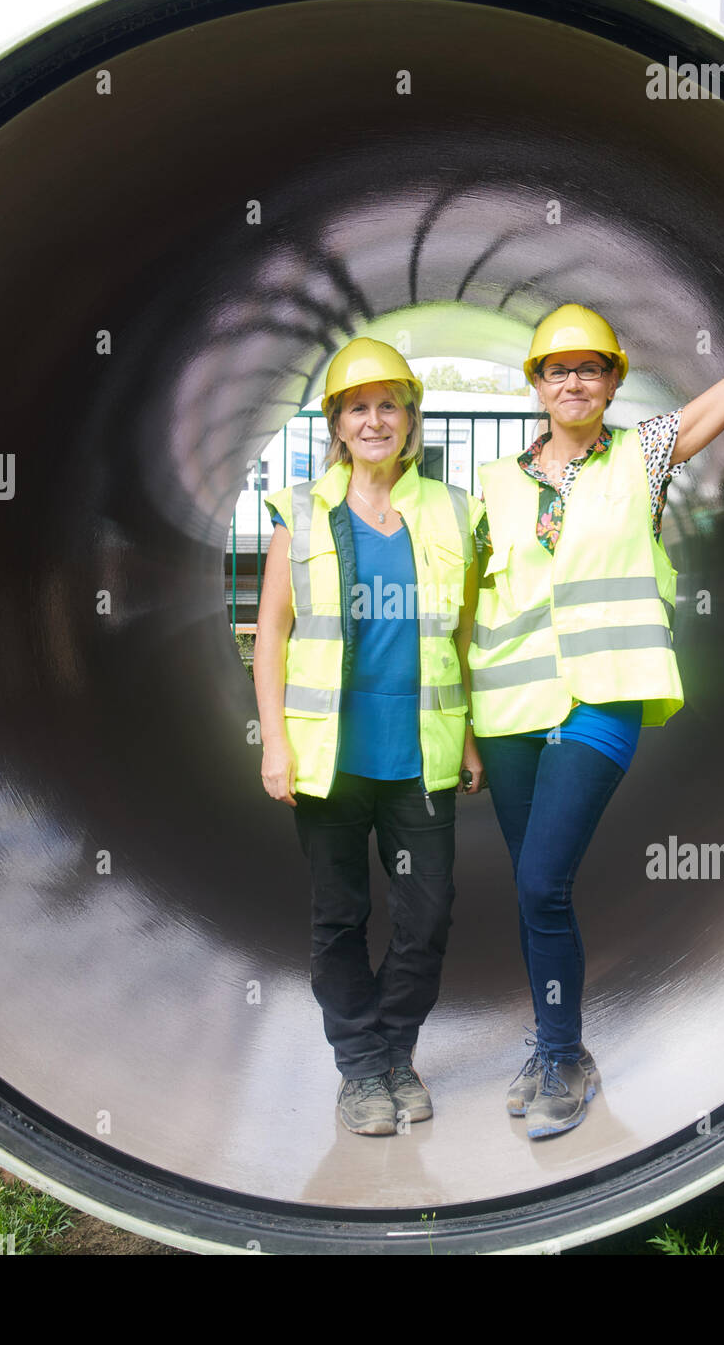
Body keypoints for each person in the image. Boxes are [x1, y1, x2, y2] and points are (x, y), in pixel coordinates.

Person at [469, 225, 724, 1139]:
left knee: (545, 880)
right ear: (535, 387)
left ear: (615, 382)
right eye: (557, 369)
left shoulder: (646, 453)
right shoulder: (491, 485)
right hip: (506, 707)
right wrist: (462, 726)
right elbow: (468, 605)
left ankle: (559, 1056)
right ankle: (556, 1040)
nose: (574, 382)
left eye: (592, 369)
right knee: (530, 887)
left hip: (603, 694)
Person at [255, 338, 483, 1137]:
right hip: (331, 760)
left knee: (427, 915)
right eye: (360, 407)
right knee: (340, 917)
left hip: (420, 753)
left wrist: (472, 738)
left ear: (411, 418)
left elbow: (458, 634)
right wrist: (274, 743)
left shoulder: (453, 511)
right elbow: (271, 635)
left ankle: (396, 1051)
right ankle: (360, 1069)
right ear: (338, 425)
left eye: (390, 405)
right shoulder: (302, 511)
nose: (376, 420)